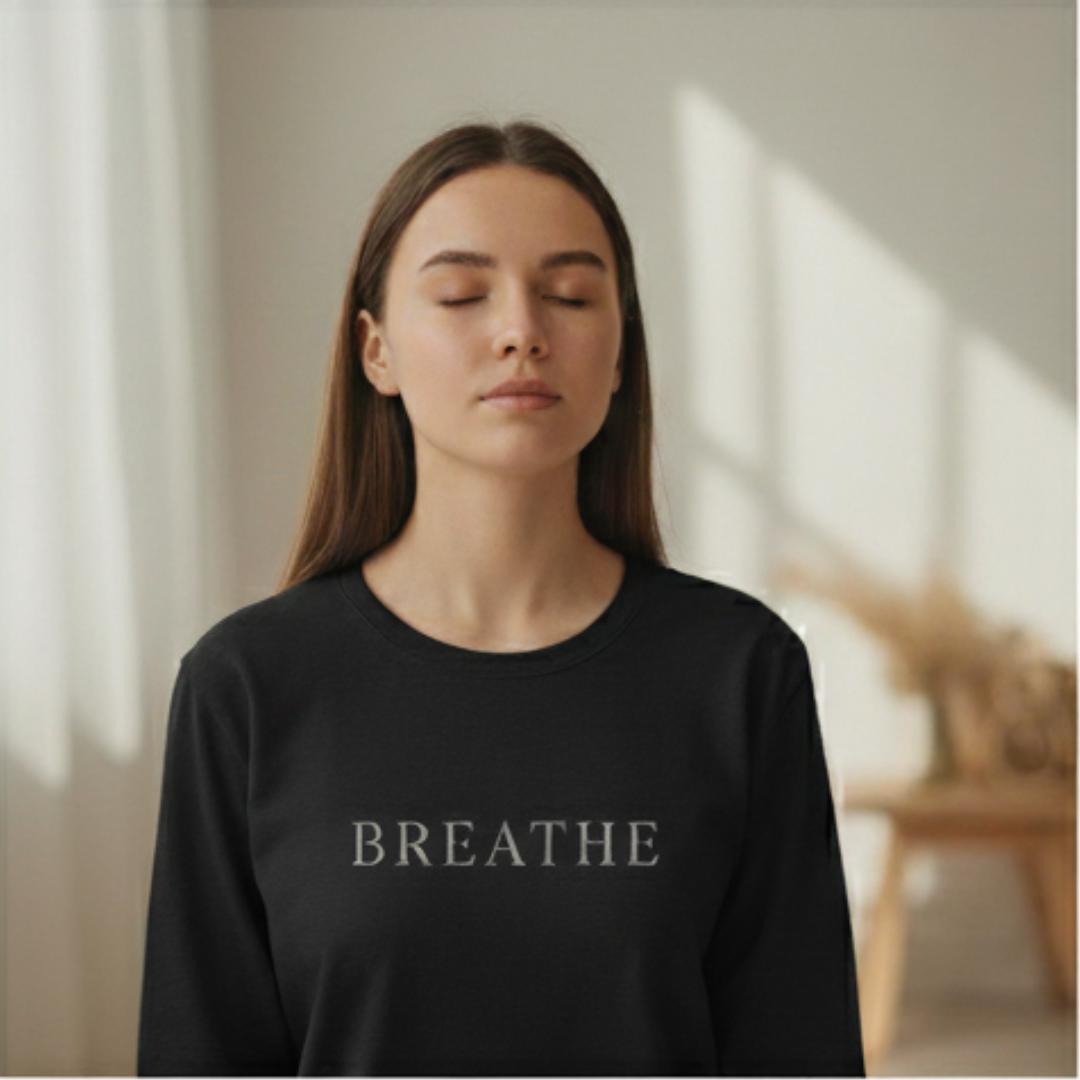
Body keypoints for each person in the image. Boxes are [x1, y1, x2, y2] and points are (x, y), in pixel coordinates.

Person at [137, 119, 865, 1077]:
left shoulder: (740, 672)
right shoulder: (246, 688)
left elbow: (798, 1052)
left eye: (568, 294)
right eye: (461, 293)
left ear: (618, 353)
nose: (522, 329)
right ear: (376, 351)